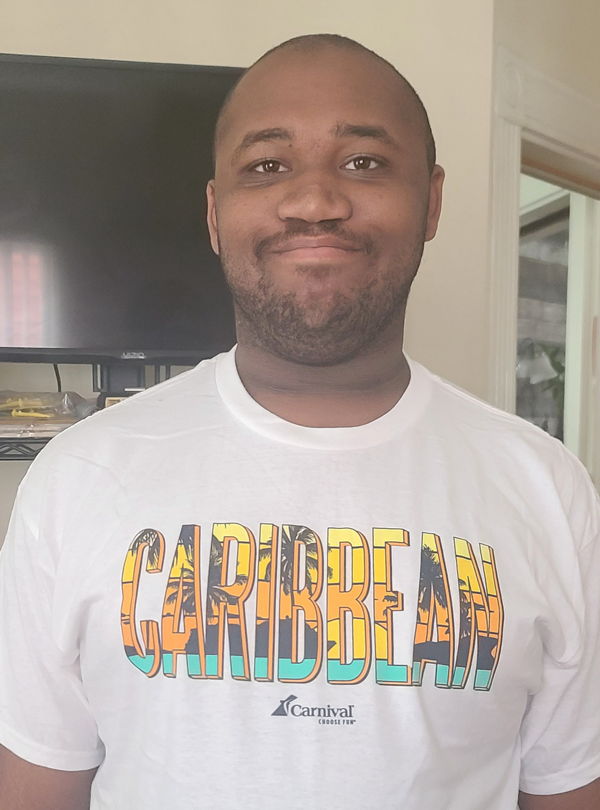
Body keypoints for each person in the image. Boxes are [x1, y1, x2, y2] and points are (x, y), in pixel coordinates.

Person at [0, 33, 599, 810]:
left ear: (433, 201)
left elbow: (565, 786)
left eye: (364, 162)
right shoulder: (77, 477)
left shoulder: (547, 488)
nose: (315, 201)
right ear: (217, 214)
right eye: (268, 165)